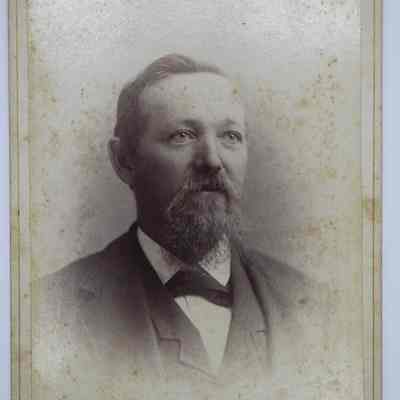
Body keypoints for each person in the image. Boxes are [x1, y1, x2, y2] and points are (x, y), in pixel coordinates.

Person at [34, 54, 323, 400]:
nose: (212, 160)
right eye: (182, 135)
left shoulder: (316, 308)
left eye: (230, 136)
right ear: (124, 161)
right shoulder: (46, 311)